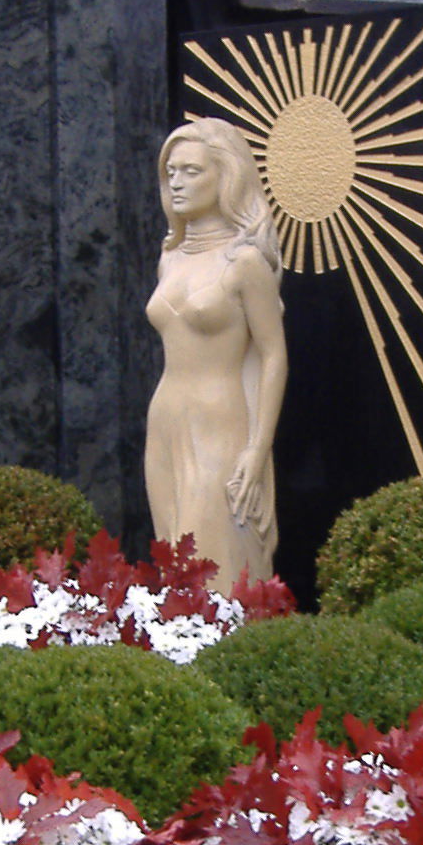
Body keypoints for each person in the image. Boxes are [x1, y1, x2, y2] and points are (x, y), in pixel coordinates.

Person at [144, 117, 286, 590]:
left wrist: (257, 447)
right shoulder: (171, 257)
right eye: (171, 172)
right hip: (164, 422)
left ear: (225, 176)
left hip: (221, 424)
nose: (177, 182)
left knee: (218, 565)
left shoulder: (245, 262)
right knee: (174, 568)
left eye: (191, 171)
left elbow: (272, 356)